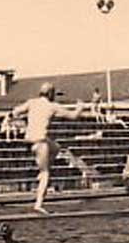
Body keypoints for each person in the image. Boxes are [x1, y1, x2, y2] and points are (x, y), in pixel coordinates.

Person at [12, 82, 88, 214]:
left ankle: (42, 170)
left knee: (56, 147)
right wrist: (80, 107)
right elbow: (73, 116)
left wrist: (22, 122)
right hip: (40, 142)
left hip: (30, 140)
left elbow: (15, 112)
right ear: (50, 94)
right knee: (46, 173)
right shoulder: (52, 106)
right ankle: (39, 204)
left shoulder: (32, 102)